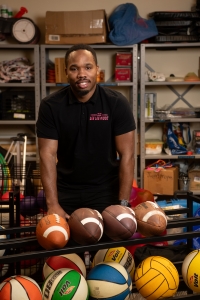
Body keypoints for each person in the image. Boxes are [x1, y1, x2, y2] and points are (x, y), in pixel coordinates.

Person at [36, 44, 136, 221]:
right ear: (66, 71)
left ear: (97, 69)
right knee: (61, 245)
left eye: (88, 67)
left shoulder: (116, 103)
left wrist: (123, 204)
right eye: (74, 68)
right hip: (66, 191)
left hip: (106, 191)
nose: (81, 74)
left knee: (106, 247)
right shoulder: (50, 106)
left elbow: (127, 154)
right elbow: (47, 155)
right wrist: (53, 204)